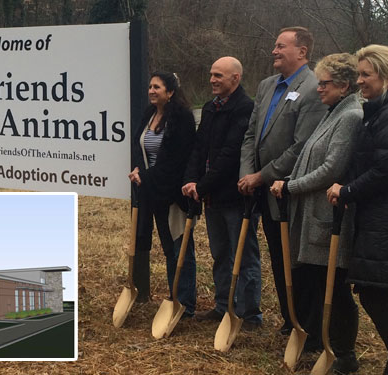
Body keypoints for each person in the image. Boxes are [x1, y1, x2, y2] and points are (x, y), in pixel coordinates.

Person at [271, 53, 362, 372]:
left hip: (330, 217)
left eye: (324, 83)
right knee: (314, 280)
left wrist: (292, 187)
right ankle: (316, 337)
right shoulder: (332, 111)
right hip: (312, 215)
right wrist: (287, 180)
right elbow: (310, 153)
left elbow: (331, 168)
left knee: (334, 288)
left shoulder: (350, 116)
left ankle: (344, 352)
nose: (318, 88)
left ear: (344, 85)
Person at [327, 44, 388, 375]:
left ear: (387, 76)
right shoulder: (379, 112)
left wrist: (348, 190)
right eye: (358, 73)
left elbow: (387, 167)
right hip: (382, 220)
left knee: (375, 295)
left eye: (366, 74)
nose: (359, 80)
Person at [238, 26, 326, 334]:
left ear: (302, 52)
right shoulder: (265, 86)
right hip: (261, 189)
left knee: (296, 262)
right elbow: (251, 135)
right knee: (277, 256)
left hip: (289, 191)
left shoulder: (313, 88)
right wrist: (247, 175)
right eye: (274, 46)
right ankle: (290, 320)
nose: (274, 51)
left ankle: (305, 325)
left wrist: (262, 176)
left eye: (281, 46)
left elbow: (300, 147)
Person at [181, 57, 261, 329]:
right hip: (212, 198)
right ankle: (223, 305)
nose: (213, 80)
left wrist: (202, 186)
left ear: (235, 79)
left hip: (236, 198)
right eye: (211, 74)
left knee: (244, 256)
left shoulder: (245, 108)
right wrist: (191, 179)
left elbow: (230, 156)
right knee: (220, 254)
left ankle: (249, 314)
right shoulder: (211, 107)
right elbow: (198, 147)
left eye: (219, 75)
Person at [128, 71, 196, 315]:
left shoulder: (182, 119)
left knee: (180, 248)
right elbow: (139, 145)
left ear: (171, 92)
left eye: (157, 87)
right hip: (152, 192)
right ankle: (173, 296)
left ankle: (184, 303)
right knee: (167, 247)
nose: (151, 91)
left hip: (174, 194)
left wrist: (144, 176)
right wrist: (137, 168)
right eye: (150, 86)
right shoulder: (149, 114)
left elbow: (177, 162)